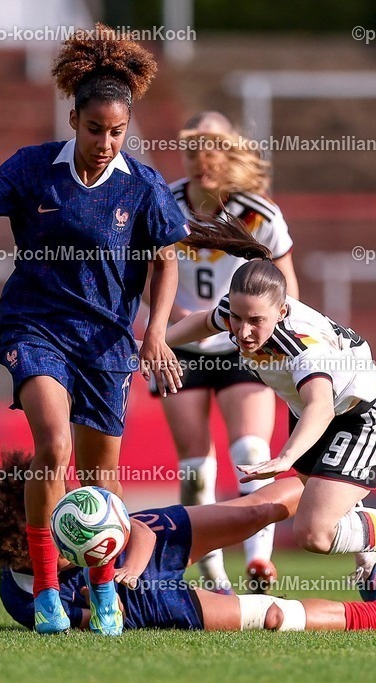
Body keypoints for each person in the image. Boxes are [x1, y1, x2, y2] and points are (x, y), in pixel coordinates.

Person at [0, 24, 187, 636]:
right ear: (73, 118)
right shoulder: (33, 169)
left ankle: (105, 592)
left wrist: (154, 334)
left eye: (117, 131)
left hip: (106, 344)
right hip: (36, 328)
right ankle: (46, 588)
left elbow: (166, 258)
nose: (105, 141)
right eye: (95, 128)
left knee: (103, 480)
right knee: (53, 445)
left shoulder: (143, 185)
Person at [163, 218, 376, 610]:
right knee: (324, 506)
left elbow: (320, 406)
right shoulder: (238, 313)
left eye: (256, 321)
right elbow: (203, 321)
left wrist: (285, 456)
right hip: (310, 414)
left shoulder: (302, 345)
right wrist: (150, 344)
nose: (243, 331)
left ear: (282, 310)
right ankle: (370, 551)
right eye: (237, 317)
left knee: (315, 533)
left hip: (358, 416)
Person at [0, 451, 376, 633]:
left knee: (258, 510)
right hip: (144, 606)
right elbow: (86, 620)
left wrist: (127, 567)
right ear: (19, 544)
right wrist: (109, 597)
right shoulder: (23, 597)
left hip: (137, 561)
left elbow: (135, 529)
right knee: (273, 616)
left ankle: (353, 470)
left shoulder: (71, 513)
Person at [143, 111, 298, 594]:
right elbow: (143, 277)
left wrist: (263, 326)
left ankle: (259, 561)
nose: (201, 160)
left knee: (252, 451)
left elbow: (287, 285)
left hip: (242, 346)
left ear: (230, 152)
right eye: (192, 150)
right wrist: (167, 316)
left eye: (212, 148)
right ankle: (212, 572)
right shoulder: (164, 204)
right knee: (194, 467)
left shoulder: (258, 213)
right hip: (182, 346)